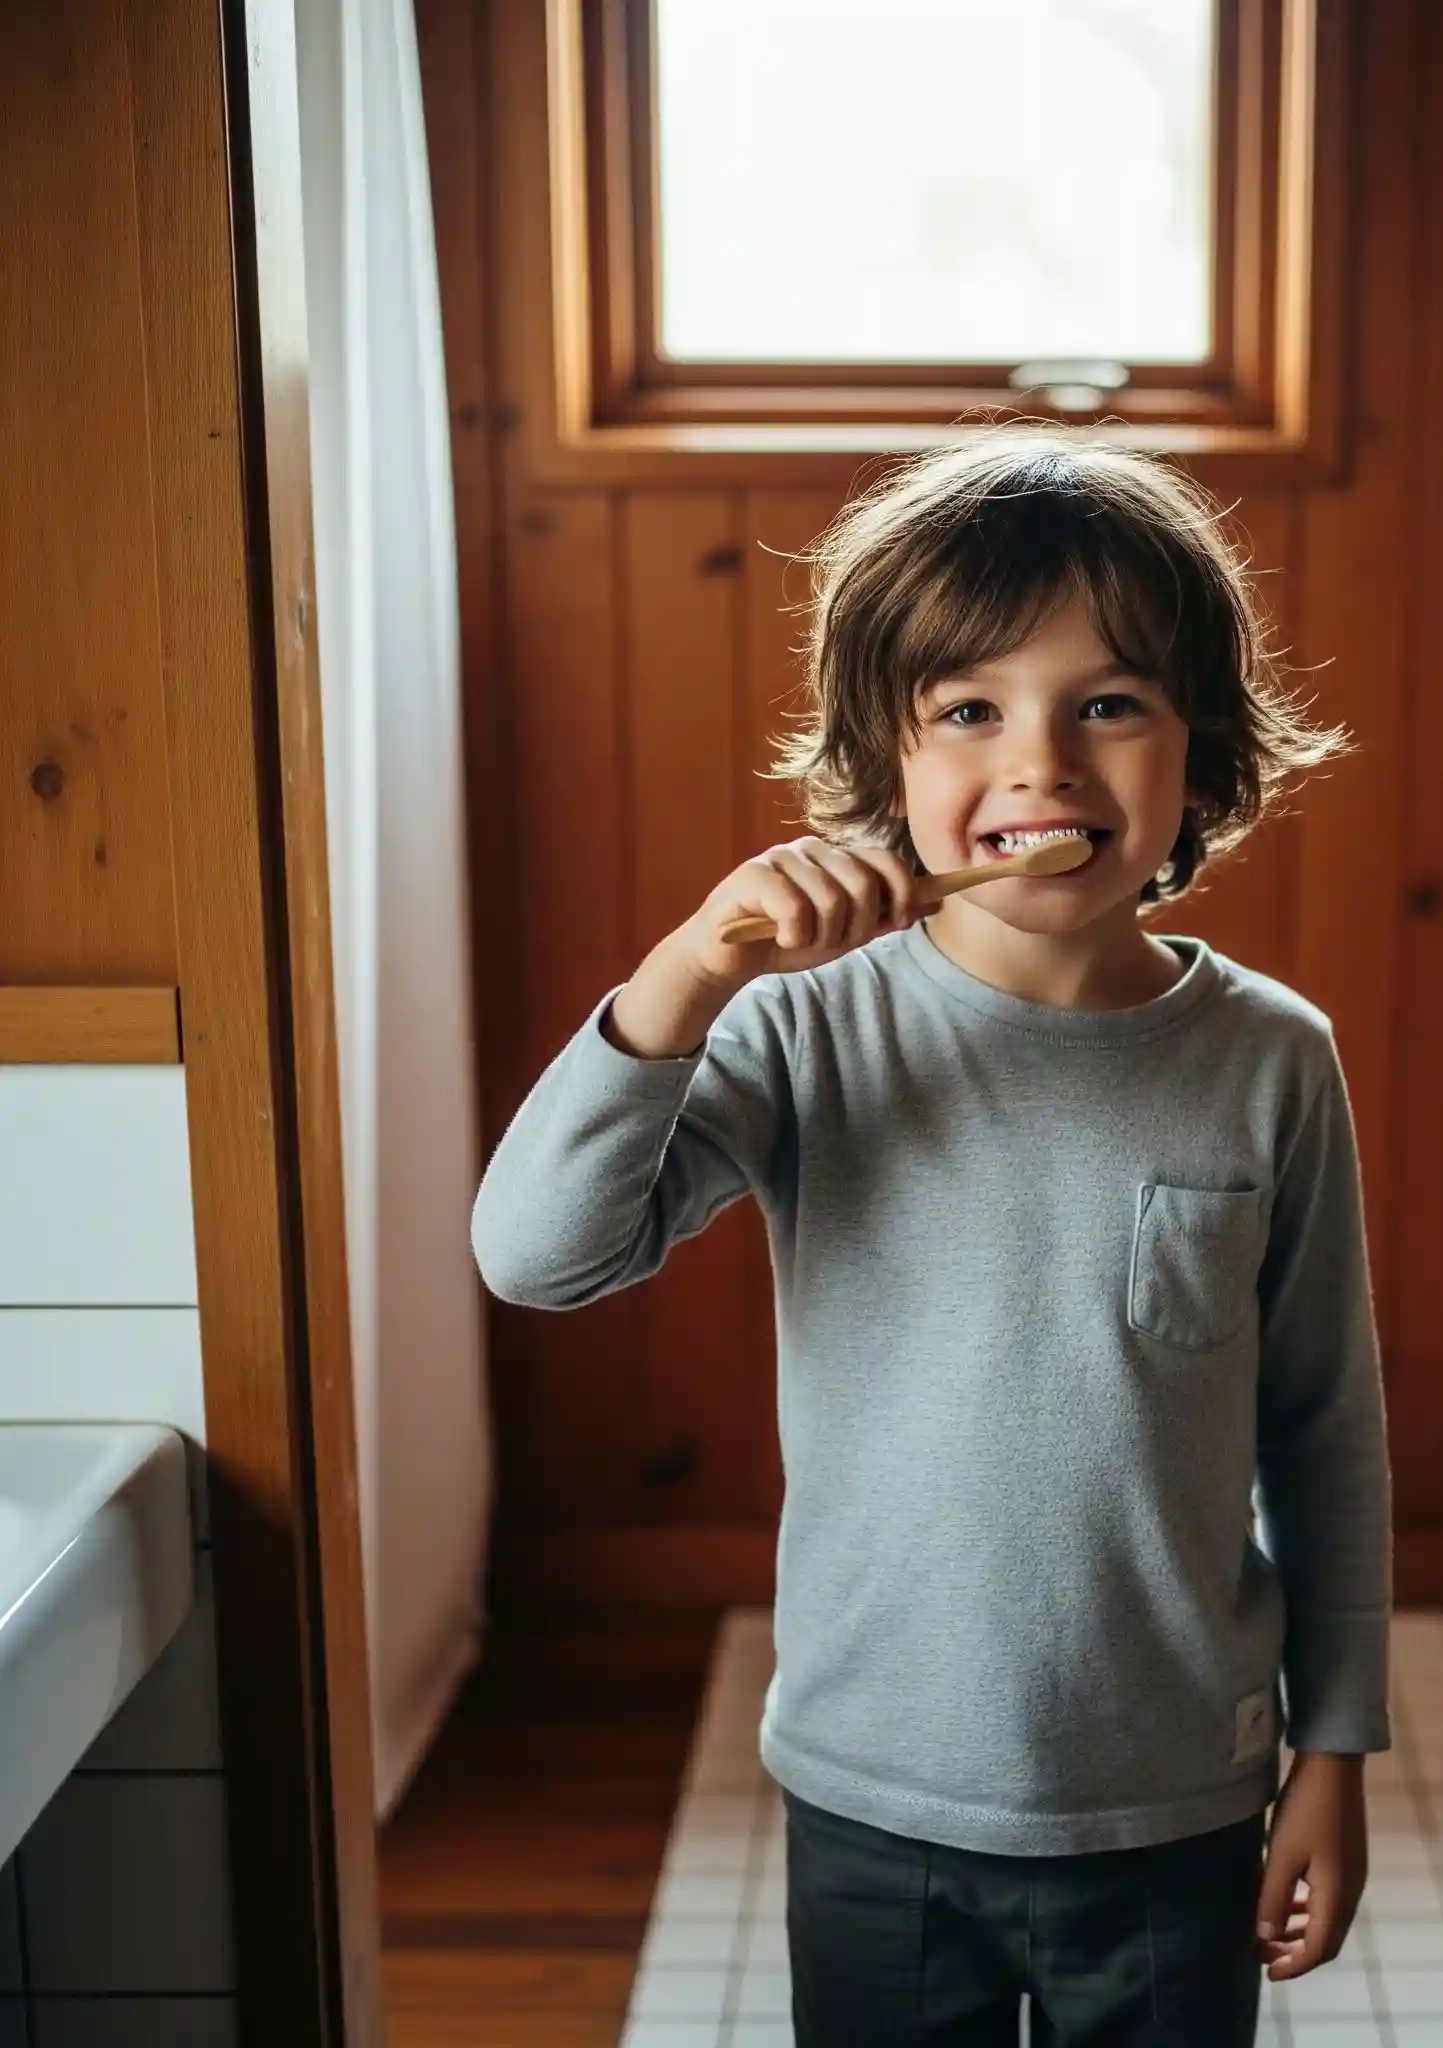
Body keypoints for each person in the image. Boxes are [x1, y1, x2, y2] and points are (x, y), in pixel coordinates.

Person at [471, 428, 1394, 2046]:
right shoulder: (802, 1035)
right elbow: (539, 1255)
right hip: (874, 1795)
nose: (1040, 765)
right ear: (883, 765)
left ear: (1202, 751)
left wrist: (1335, 1749)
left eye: (1108, 703)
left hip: (1176, 1801)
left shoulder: (1271, 1059)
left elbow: (1324, 1433)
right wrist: (683, 980)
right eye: (970, 711)